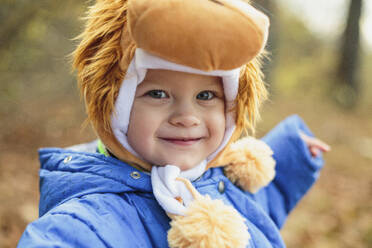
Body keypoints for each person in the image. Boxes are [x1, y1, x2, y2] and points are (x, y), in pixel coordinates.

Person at [18, 0, 330, 247]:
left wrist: (292, 155)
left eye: (206, 95)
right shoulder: (89, 220)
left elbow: (256, 204)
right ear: (114, 104)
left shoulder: (219, 179)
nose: (186, 117)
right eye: (158, 93)